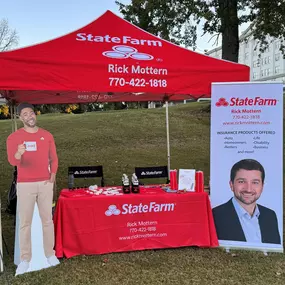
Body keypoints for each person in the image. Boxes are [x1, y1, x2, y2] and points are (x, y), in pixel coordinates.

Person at [6, 103, 60, 276]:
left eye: (31, 112)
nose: (29, 116)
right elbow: (12, 161)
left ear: (35, 115)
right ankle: (25, 259)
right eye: (25, 114)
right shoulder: (14, 138)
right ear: (20, 118)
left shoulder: (47, 135)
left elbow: (54, 158)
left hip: (45, 183)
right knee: (25, 223)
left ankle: (49, 254)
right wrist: (18, 153)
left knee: (47, 220)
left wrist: (53, 175)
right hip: (25, 184)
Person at [212, 159, 281, 244]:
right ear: (231, 185)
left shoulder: (270, 216)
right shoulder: (215, 216)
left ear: (262, 186)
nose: (248, 189)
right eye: (241, 181)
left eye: (255, 182)